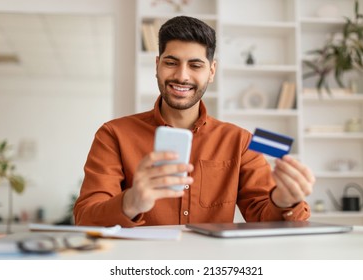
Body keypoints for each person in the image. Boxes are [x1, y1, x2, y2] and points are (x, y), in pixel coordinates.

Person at [74, 16, 315, 227]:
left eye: (195, 65)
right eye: (171, 62)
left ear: (211, 71)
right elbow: (85, 217)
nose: (181, 75)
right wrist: (131, 202)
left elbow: (265, 219)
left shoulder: (240, 141)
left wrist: (284, 201)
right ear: (157, 65)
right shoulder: (113, 134)